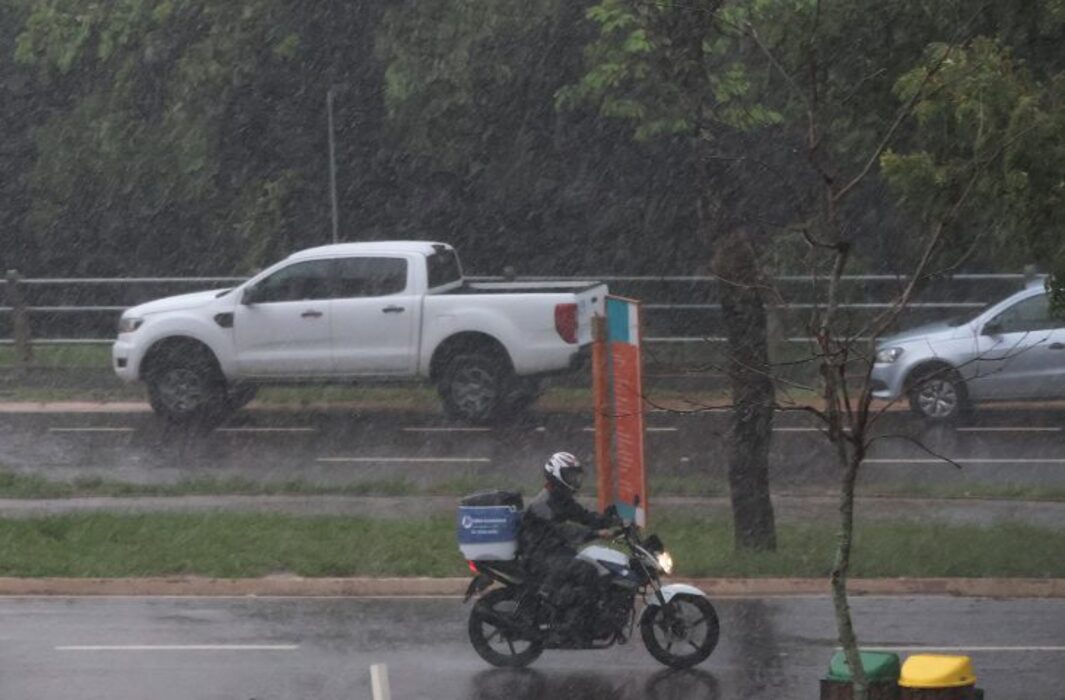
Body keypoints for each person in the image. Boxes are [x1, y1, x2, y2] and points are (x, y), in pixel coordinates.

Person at [519, 451, 618, 645]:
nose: (574, 479)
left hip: (555, 550)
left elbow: (584, 516)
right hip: (540, 555)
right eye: (569, 475)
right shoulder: (543, 502)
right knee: (587, 571)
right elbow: (563, 529)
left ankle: (586, 618)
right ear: (556, 475)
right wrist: (596, 534)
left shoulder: (560, 498)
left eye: (575, 475)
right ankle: (567, 627)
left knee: (597, 566)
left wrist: (612, 519)